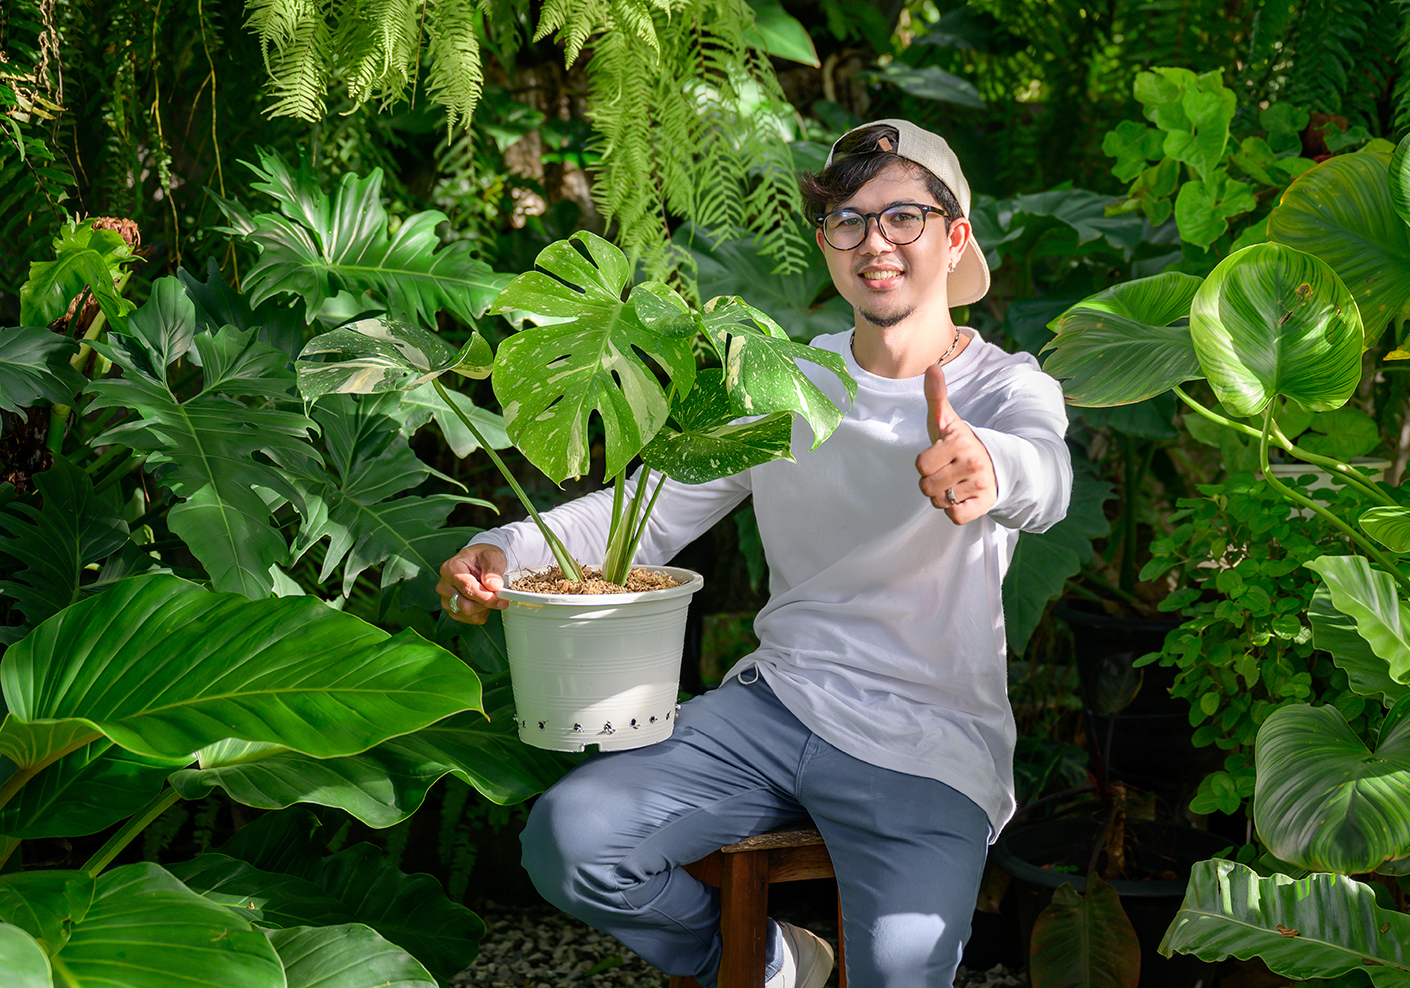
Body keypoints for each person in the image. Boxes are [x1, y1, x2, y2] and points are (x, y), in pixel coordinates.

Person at [436, 120, 1073, 988]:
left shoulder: (1006, 386)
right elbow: (646, 515)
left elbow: (1048, 470)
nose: (874, 242)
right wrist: (500, 546)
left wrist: (990, 466)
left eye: (904, 218)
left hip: (929, 738)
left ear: (955, 236)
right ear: (827, 242)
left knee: (900, 974)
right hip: (774, 709)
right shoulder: (784, 380)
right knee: (571, 842)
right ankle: (774, 961)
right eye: (849, 221)